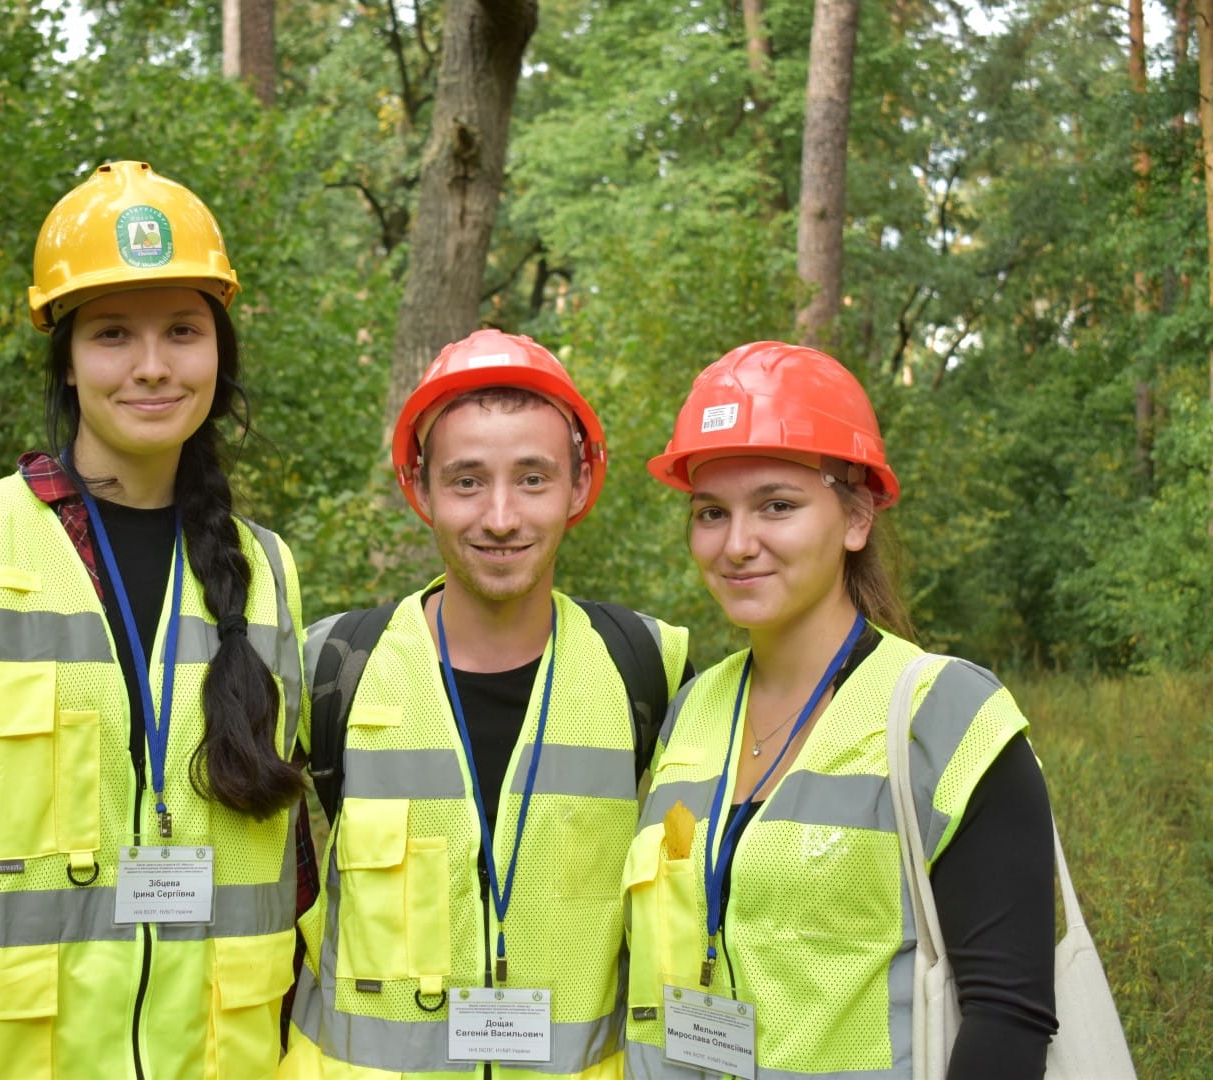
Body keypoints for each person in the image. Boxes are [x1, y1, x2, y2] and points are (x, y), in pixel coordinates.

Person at [0, 161, 309, 1080]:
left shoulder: (266, 571)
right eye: (112, 335)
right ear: (65, 357)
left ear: (219, 351)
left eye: (182, 330)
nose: (151, 365)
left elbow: (291, 873)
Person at [624, 341, 1058, 1079]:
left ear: (856, 518)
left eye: (778, 506)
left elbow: (1007, 1021)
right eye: (710, 512)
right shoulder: (692, 709)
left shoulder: (944, 713)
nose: (736, 544)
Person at [280, 330, 694, 1079]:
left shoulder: (649, 669)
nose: (500, 517)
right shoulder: (331, 671)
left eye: (532, 479)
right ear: (421, 492)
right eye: (468, 481)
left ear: (579, 487)